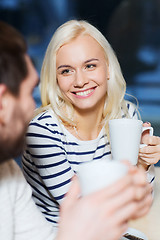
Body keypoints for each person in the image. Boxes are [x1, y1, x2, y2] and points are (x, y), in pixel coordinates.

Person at [0, 20, 153, 240]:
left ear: (108, 68)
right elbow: (94, 214)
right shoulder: (41, 131)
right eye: (66, 71)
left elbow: (135, 201)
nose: (80, 81)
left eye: (90, 65)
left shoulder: (7, 173)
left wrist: (144, 164)